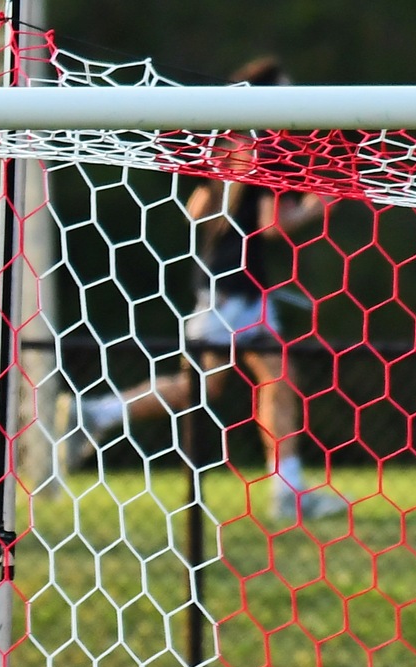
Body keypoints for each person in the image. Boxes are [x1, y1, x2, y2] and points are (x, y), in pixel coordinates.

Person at [76, 56, 344, 523]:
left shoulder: (234, 147)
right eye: (285, 89)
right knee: (204, 387)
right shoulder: (261, 150)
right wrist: (321, 205)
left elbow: (196, 208)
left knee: (277, 380)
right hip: (232, 293)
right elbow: (272, 226)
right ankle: (97, 413)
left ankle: (288, 492)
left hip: (240, 288)